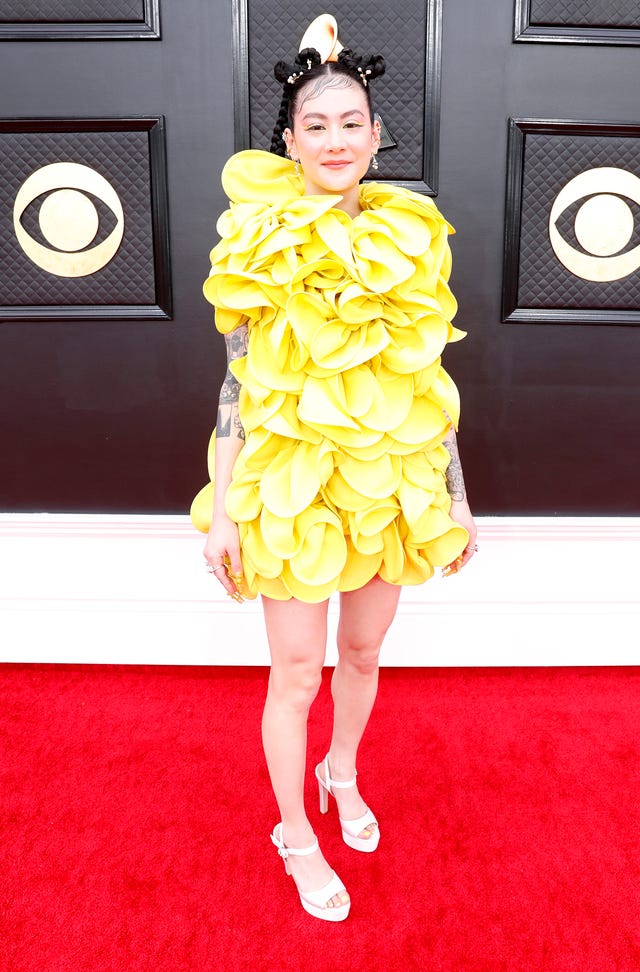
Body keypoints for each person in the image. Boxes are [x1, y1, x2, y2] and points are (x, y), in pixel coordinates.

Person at [191, 14, 477, 922]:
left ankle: (341, 771)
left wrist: (456, 498)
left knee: (362, 651)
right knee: (296, 674)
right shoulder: (258, 240)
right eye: (314, 125)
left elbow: (427, 382)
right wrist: (225, 511)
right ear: (289, 142)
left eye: (351, 122)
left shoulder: (413, 237)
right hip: (290, 485)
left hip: (388, 480)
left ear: (377, 135)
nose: (335, 140)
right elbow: (236, 384)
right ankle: (294, 832)